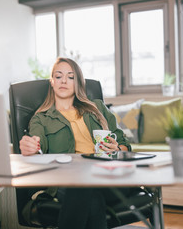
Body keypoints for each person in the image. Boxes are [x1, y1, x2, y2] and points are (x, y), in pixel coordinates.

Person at [19, 57, 132, 228]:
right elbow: (38, 146)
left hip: (107, 176)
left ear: (78, 82)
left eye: (70, 77)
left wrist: (117, 148)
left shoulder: (97, 108)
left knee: (85, 191)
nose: (64, 81)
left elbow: (125, 145)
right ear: (52, 81)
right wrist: (31, 148)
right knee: (89, 196)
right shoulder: (40, 119)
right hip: (68, 181)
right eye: (58, 76)